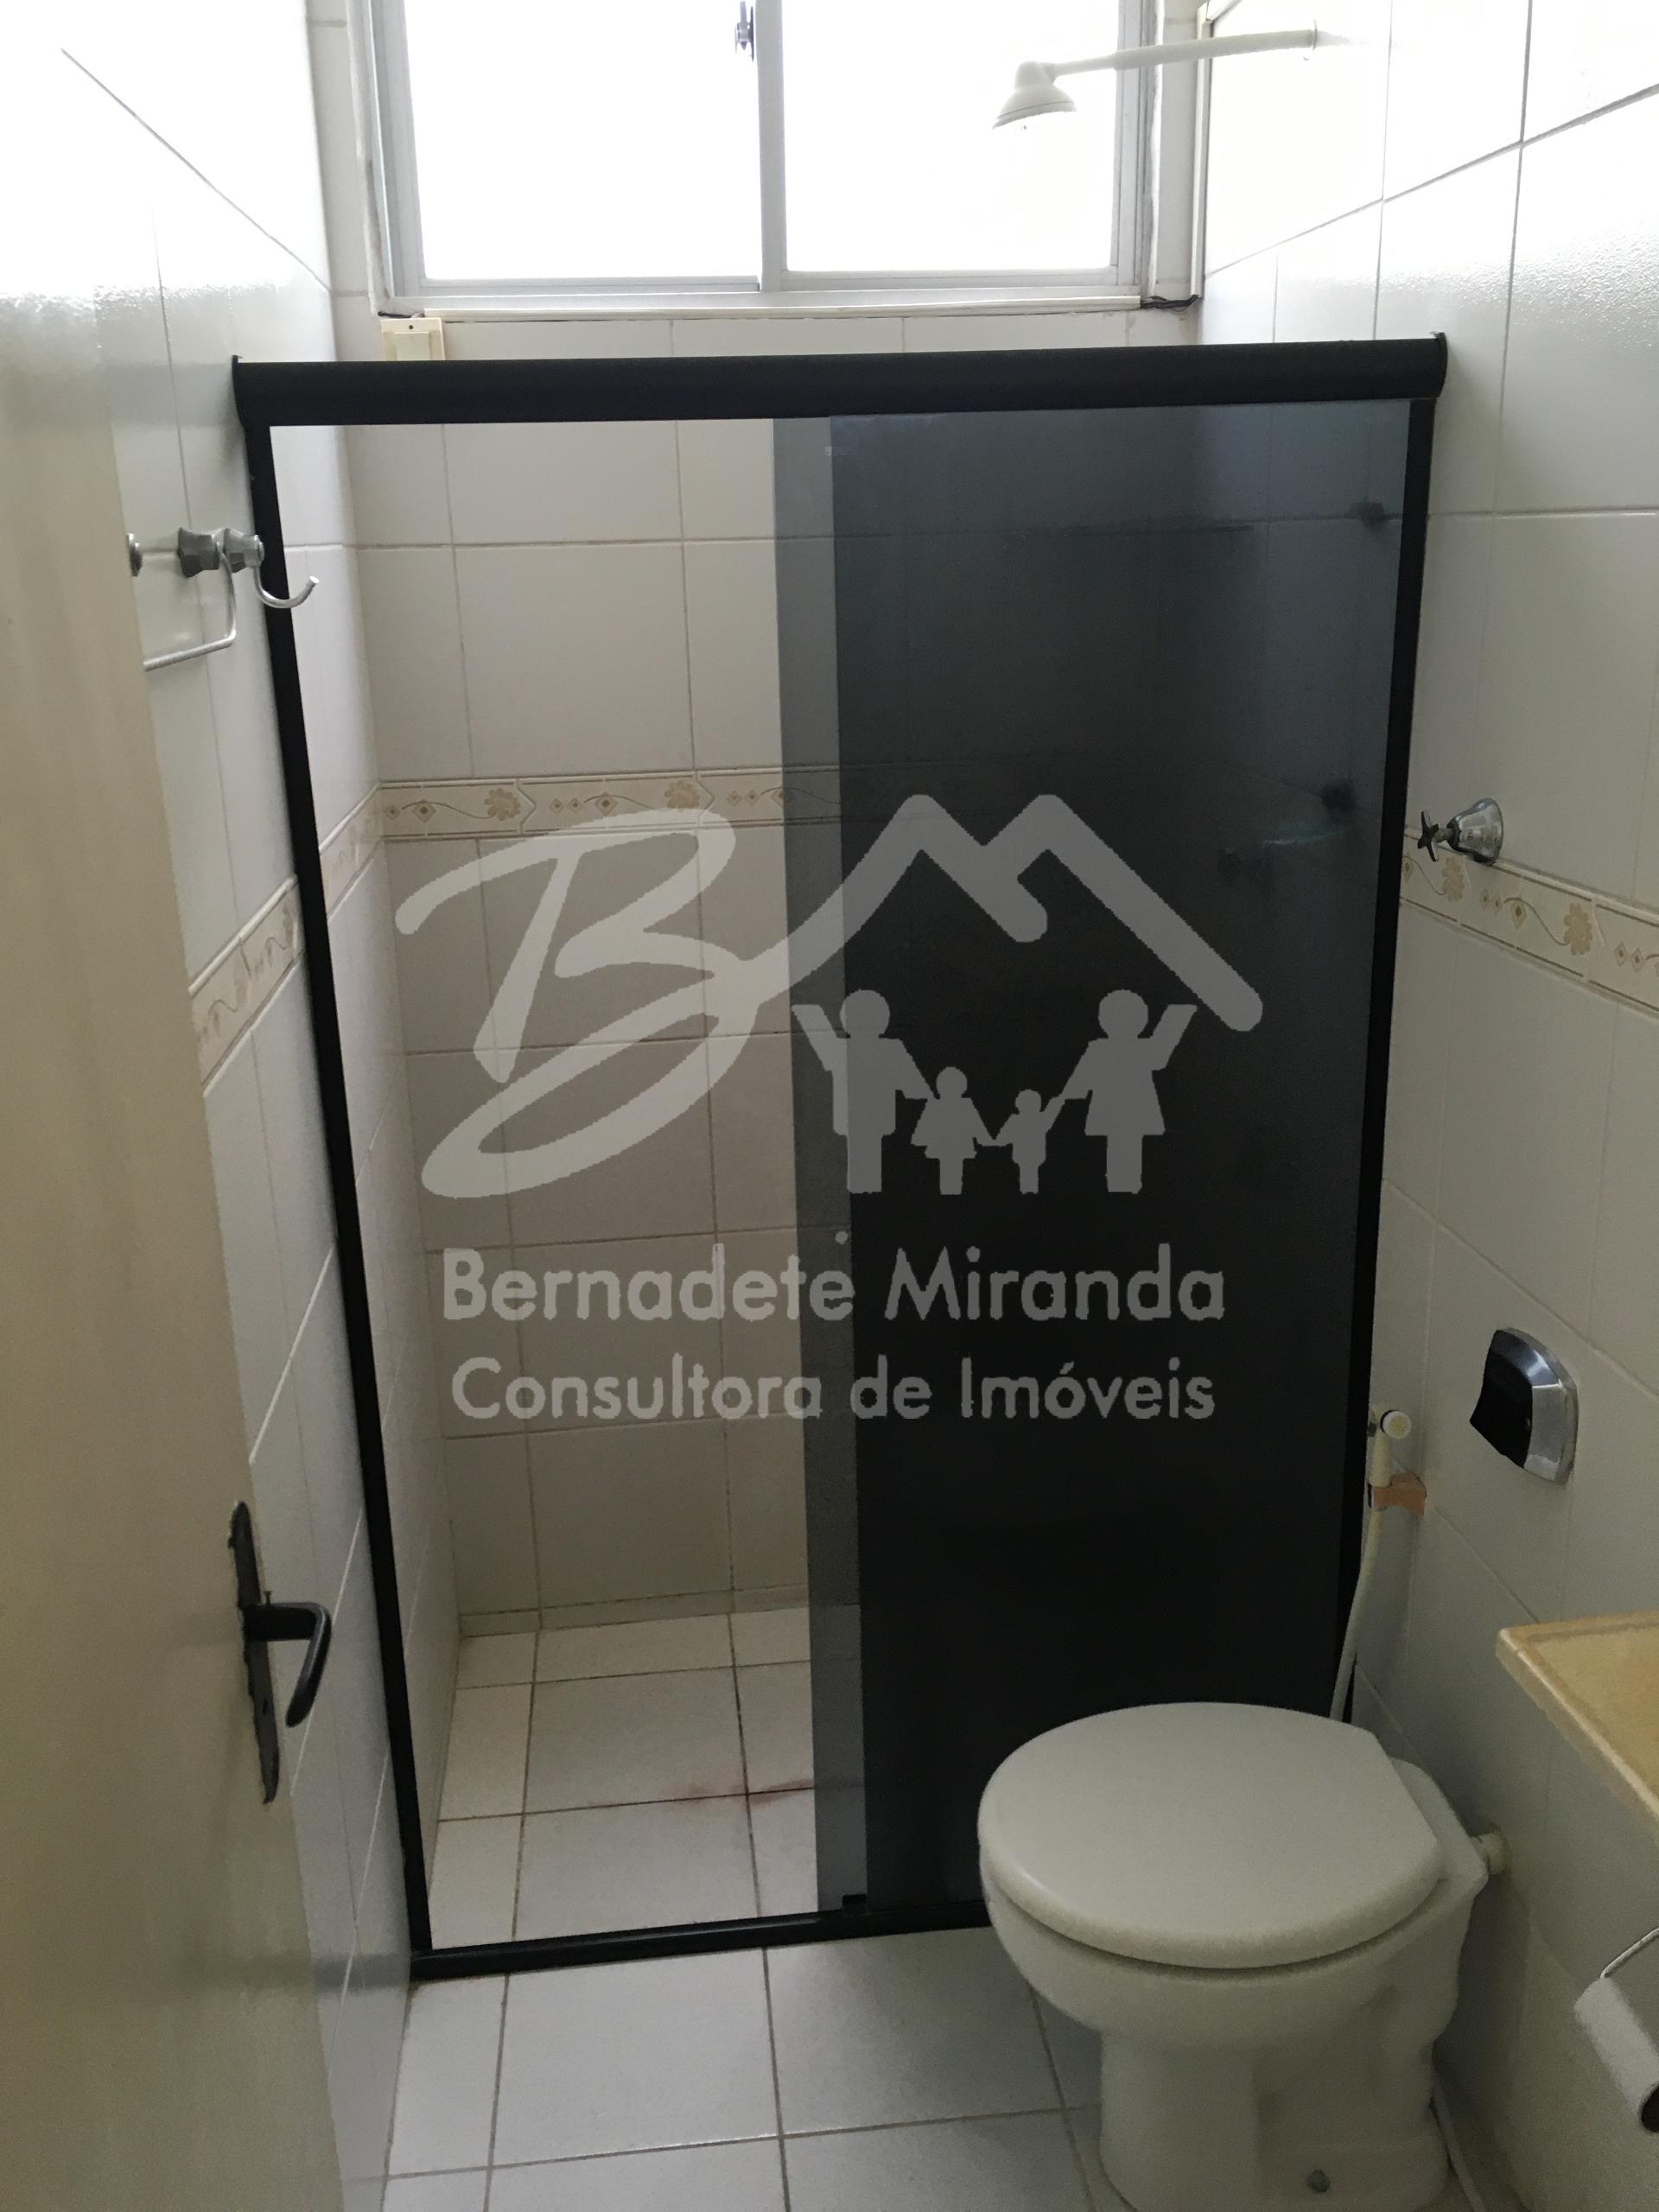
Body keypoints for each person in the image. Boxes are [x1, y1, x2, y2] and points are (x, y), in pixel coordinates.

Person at [1056, 989, 1195, 1194]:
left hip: (1127, 1108)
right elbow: (1082, 1078)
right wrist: (1176, 1016)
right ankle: (1121, 1186)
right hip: (1121, 1108)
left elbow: (1159, 1054)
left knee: (1127, 1147)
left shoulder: (1112, 1048)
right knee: (1122, 1148)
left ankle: (1125, 1186)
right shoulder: (1102, 1049)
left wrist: (1177, 1016)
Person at [793, 990, 931, 1194]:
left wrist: (807, 1010)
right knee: (866, 1171)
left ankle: (865, 1192)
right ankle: (867, 1192)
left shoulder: (848, 1048)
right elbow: (915, 1088)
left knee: (863, 1172)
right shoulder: (890, 1050)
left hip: (858, 1118)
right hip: (872, 1118)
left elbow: (915, 1088)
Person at [912, 1066, 995, 1196]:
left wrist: (920, 1139)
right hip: (956, 1146)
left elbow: (976, 1126)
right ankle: (951, 1195)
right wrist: (986, 1140)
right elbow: (977, 1127)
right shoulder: (958, 1106)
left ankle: (950, 1195)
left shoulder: (941, 1106)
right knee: (951, 1176)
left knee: (951, 1176)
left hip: (947, 1147)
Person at [995, 1087, 1064, 1195]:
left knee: (1028, 1177)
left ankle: (1027, 1192)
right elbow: (1051, 1113)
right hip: (1033, 1155)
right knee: (1029, 1177)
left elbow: (1003, 1138)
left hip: (1024, 1155)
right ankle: (1029, 1192)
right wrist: (1056, 1101)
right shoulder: (1038, 1119)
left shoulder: (1017, 1120)